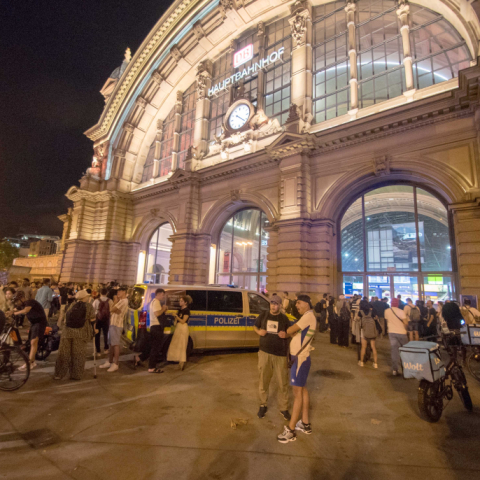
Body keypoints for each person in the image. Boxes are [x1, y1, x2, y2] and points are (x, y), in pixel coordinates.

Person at [277, 294, 316, 443]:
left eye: (298, 303)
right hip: (300, 359)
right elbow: (297, 332)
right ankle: (305, 423)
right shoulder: (308, 316)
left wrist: (286, 331)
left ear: (306, 303)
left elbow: (291, 329)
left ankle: (291, 430)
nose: (297, 306)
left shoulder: (308, 316)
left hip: (300, 360)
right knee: (303, 389)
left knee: (297, 393)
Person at [254, 294, 290, 421]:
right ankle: (263, 405)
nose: (273, 306)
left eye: (276, 304)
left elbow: (291, 332)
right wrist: (259, 332)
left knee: (282, 383)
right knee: (263, 380)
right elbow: (255, 326)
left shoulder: (284, 319)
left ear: (280, 305)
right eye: (272, 303)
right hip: (264, 353)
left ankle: (284, 408)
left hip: (280, 355)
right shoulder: (263, 315)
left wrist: (285, 335)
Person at [54, 290, 96, 380]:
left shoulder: (71, 305)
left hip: (67, 332)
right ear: (84, 298)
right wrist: (94, 330)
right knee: (78, 354)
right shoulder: (89, 306)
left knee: (64, 353)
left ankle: (59, 374)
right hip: (80, 333)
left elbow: (65, 318)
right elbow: (93, 320)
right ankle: (76, 375)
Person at [6, 292, 47, 370]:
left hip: (40, 323)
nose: (16, 303)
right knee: (30, 342)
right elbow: (14, 310)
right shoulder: (21, 304)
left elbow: (25, 310)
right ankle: (33, 361)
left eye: (17, 301)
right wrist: (8, 313)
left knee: (33, 342)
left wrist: (15, 313)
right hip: (33, 323)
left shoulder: (30, 302)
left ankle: (29, 363)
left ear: (22, 298)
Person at [134, 288, 168, 373]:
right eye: (163, 295)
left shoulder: (152, 302)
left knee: (151, 346)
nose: (163, 297)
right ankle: (152, 367)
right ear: (159, 294)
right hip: (157, 327)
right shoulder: (156, 302)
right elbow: (157, 313)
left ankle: (139, 358)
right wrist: (163, 309)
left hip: (153, 327)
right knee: (155, 348)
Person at [100, 287, 128, 373]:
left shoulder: (123, 301)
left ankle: (115, 364)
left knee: (115, 344)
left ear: (125, 292)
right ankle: (110, 361)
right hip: (113, 324)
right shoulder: (121, 301)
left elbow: (111, 309)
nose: (118, 293)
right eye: (118, 291)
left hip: (117, 325)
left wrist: (115, 301)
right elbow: (113, 310)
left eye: (120, 291)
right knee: (111, 344)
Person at [167, 295, 192, 370]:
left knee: (182, 345)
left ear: (185, 302)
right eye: (180, 301)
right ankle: (177, 359)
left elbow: (183, 321)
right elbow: (177, 321)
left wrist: (176, 316)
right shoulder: (180, 310)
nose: (180, 302)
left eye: (181, 301)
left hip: (183, 328)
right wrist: (175, 317)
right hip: (178, 328)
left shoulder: (186, 310)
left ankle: (182, 361)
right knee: (176, 344)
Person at [384, 298, 409, 375]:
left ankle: (395, 370)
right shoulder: (401, 312)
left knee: (394, 351)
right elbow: (405, 322)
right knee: (404, 351)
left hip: (391, 332)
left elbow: (387, 320)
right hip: (402, 332)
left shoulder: (387, 311)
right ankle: (405, 369)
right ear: (397, 304)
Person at [92, 288, 113, 356]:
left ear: (100, 293)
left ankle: (98, 351)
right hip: (106, 319)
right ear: (107, 293)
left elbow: (93, 310)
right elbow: (112, 311)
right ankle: (106, 349)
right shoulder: (110, 301)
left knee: (97, 335)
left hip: (98, 319)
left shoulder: (96, 301)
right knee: (106, 334)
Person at [358, 304, 378, 368]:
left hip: (364, 331)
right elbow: (376, 318)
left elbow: (357, 319)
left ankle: (361, 362)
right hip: (371, 331)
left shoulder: (360, 312)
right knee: (373, 347)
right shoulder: (371, 312)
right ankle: (375, 363)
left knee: (363, 347)